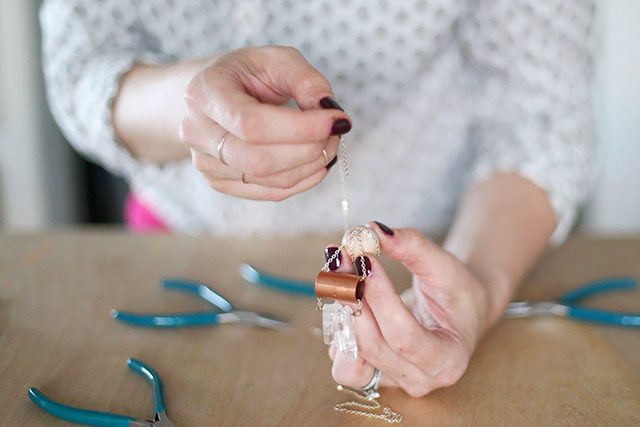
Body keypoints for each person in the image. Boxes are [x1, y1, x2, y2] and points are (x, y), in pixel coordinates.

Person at [40, 0, 595, 397]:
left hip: (450, 243)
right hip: (175, 241)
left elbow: (538, 119)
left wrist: (478, 283)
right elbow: (82, 65)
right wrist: (186, 106)